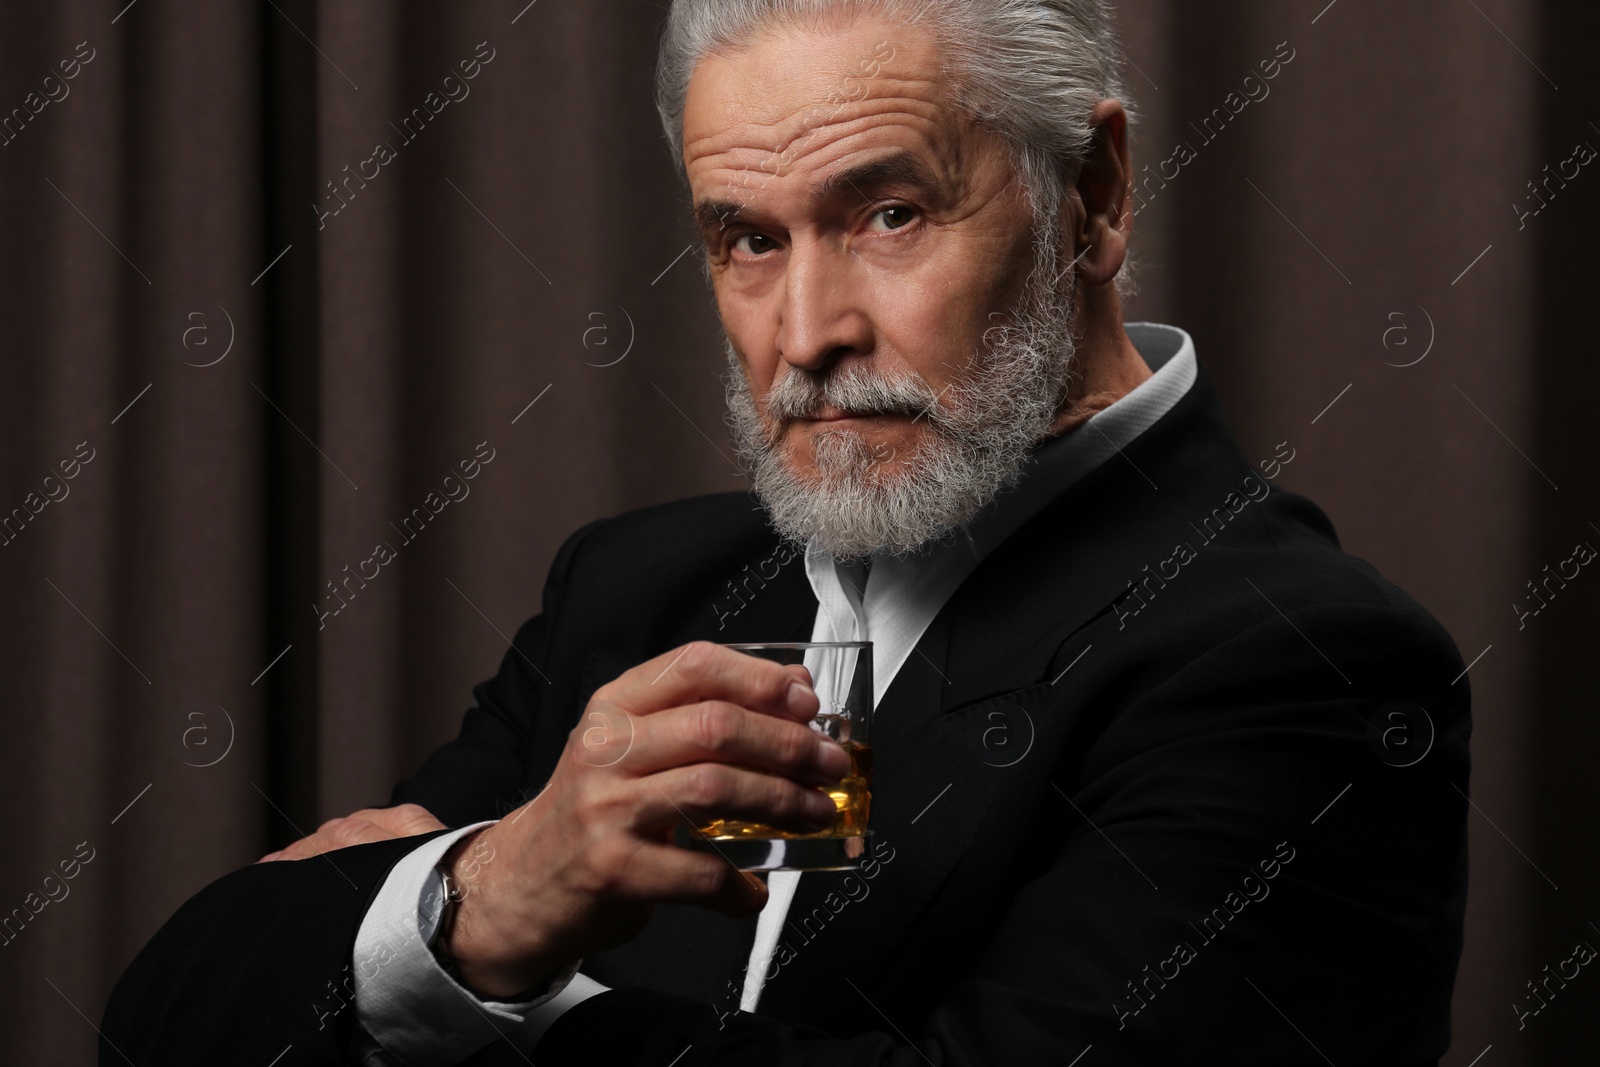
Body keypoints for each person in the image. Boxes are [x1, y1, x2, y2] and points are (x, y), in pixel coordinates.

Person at [101, 1, 1471, 1064]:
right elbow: (167, 1029)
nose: (807, 335)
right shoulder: (629, 589)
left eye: (889, 213)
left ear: (1094, 196)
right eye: (748, 240)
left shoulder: (1306, 662)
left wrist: (473, 973)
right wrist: (484, 891)